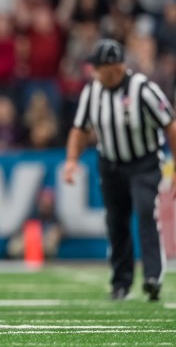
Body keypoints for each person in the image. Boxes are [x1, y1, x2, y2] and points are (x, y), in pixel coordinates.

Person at [64, 38, 176, 301]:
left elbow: (170, 124)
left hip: (144, 163)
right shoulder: (92, 92)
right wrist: (71, 160)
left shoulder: (144, 89)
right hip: (111, 164)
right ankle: (121, 282)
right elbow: (80, 128)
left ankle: (152, 277)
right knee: (116, 222)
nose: (94, 72)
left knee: (146, 211)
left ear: (114, 67)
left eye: (99, 67)